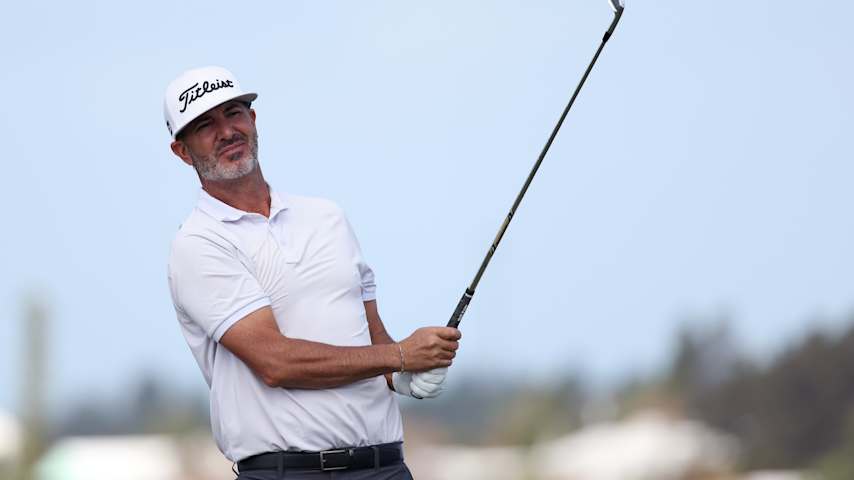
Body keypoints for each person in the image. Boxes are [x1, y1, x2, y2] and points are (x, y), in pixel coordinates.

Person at [164, 66, 461, 479]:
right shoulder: (198, 244)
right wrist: (399, 356)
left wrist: (402, 374)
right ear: (182, 151)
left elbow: (373, 338)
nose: (227, 131)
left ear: (253, 119)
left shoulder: (328, 217)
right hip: (287, 472)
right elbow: (276, 362)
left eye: (234, 113)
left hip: (385, 468)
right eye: (205, 125)